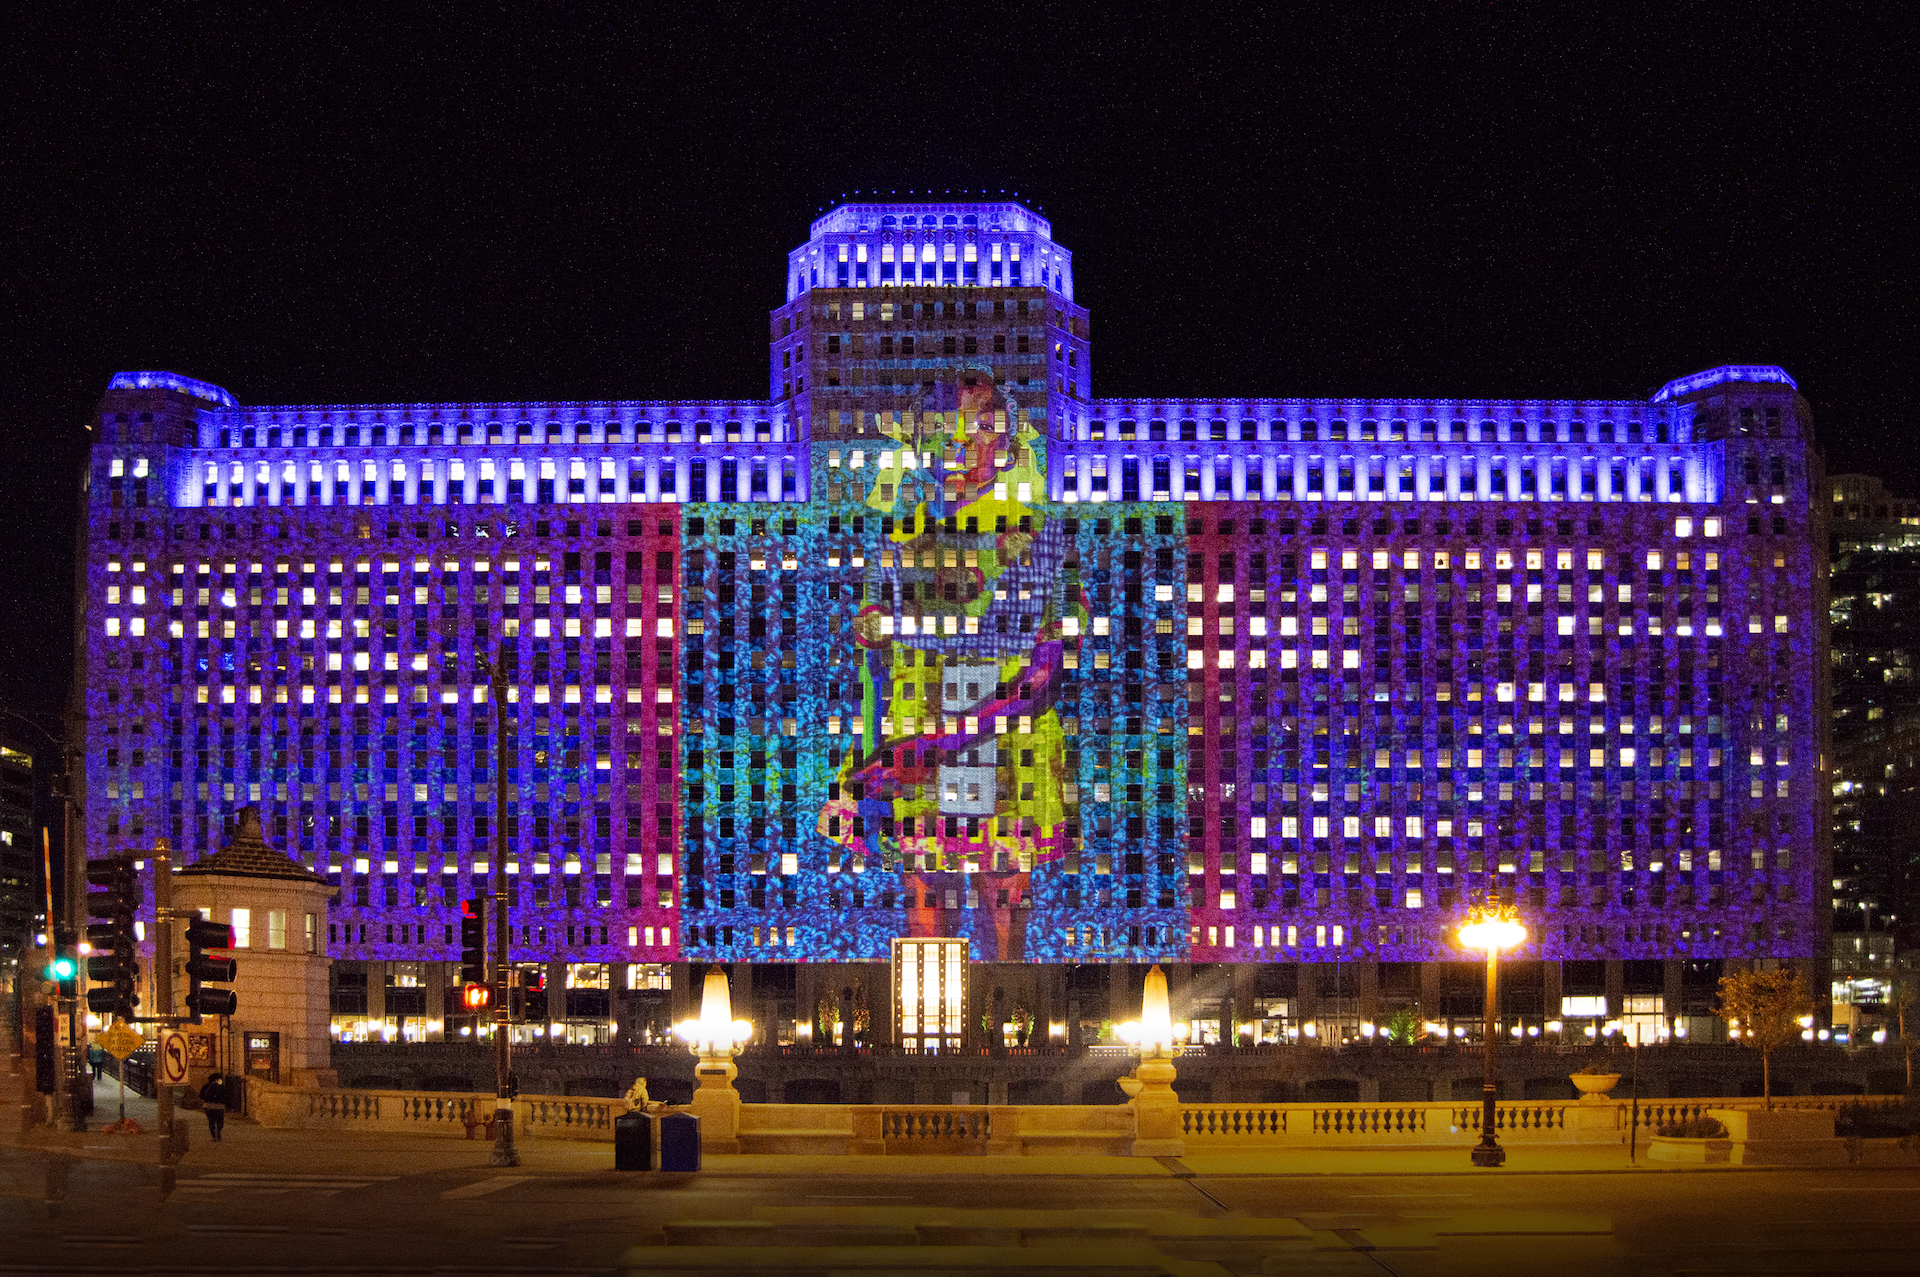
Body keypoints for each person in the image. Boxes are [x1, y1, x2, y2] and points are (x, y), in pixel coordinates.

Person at [200, 1072, 228, 1141]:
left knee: (211, 1122)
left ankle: (214, 1136)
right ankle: (218, 1132)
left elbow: (201, 1096)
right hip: (219, 1107)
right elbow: (226, 1096)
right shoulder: (222, 1087)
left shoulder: (206, 1086)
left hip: (208, 1106)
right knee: (219, 1121)